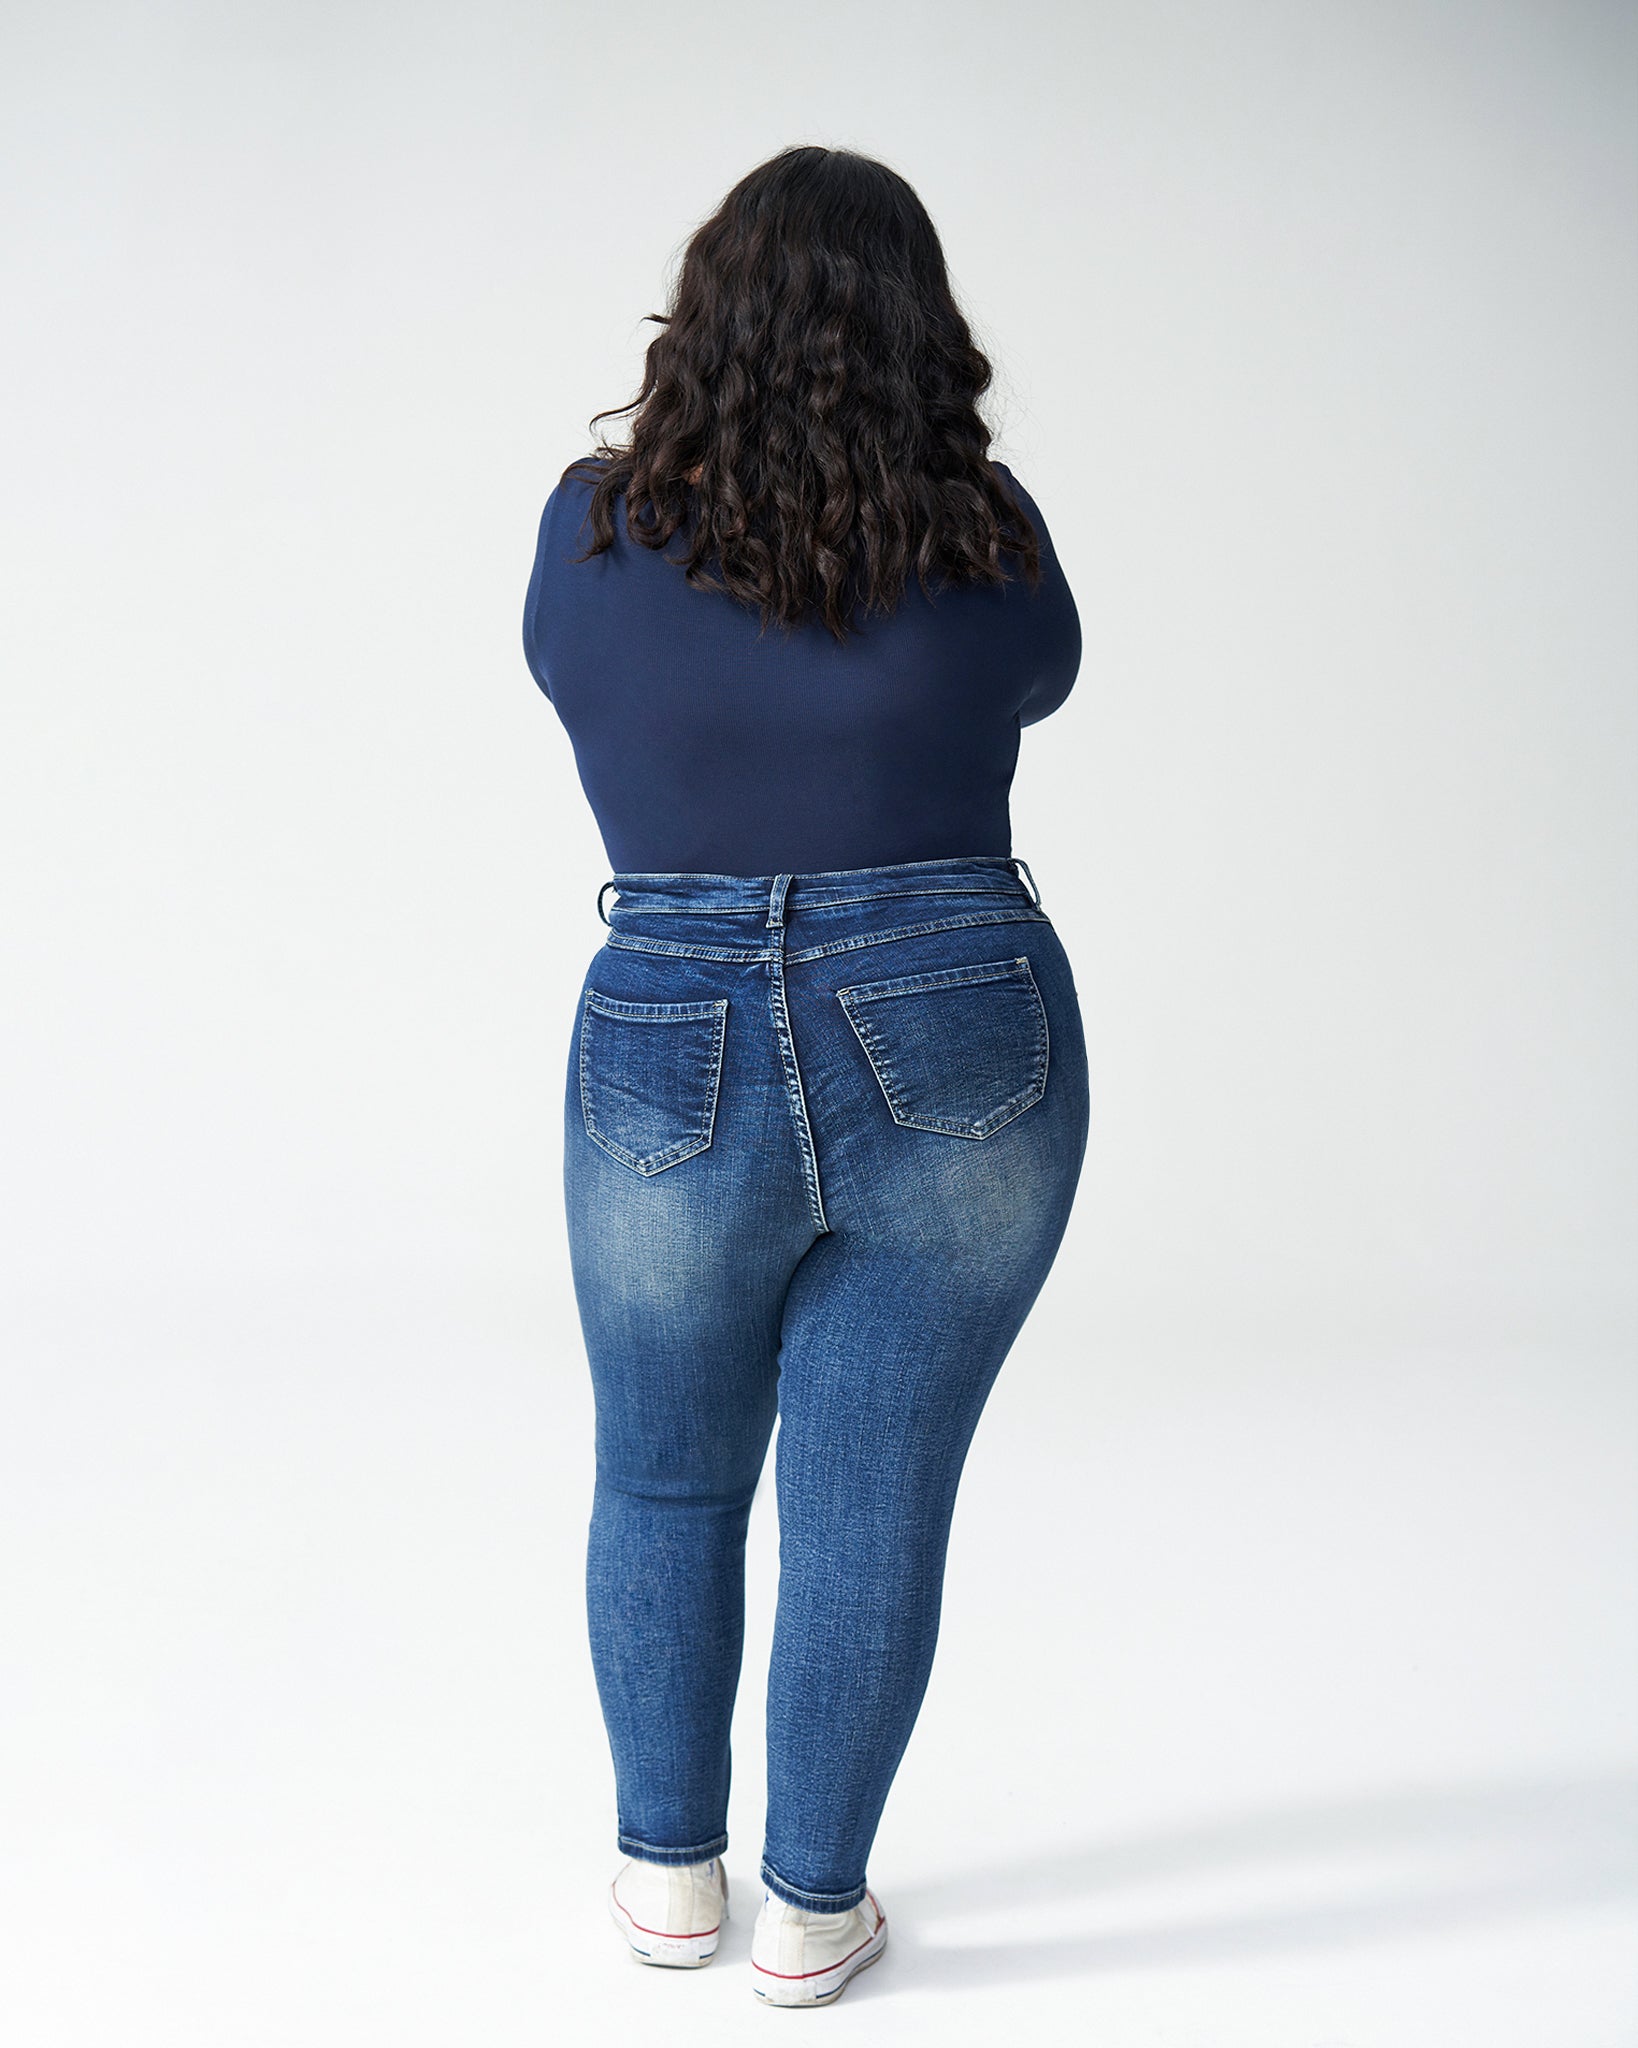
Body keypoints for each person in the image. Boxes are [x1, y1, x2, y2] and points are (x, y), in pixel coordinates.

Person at [520, 143, 1088, 2008]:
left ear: (702, 315)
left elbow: (570, 682)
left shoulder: (592, 531)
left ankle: (664, 1876)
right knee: (868, 1497)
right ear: (922, 328)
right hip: (956, 1004)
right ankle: (811, 1910)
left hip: (670, 1015)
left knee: (663, 1478)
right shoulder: (982, 528)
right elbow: (1041, 684)